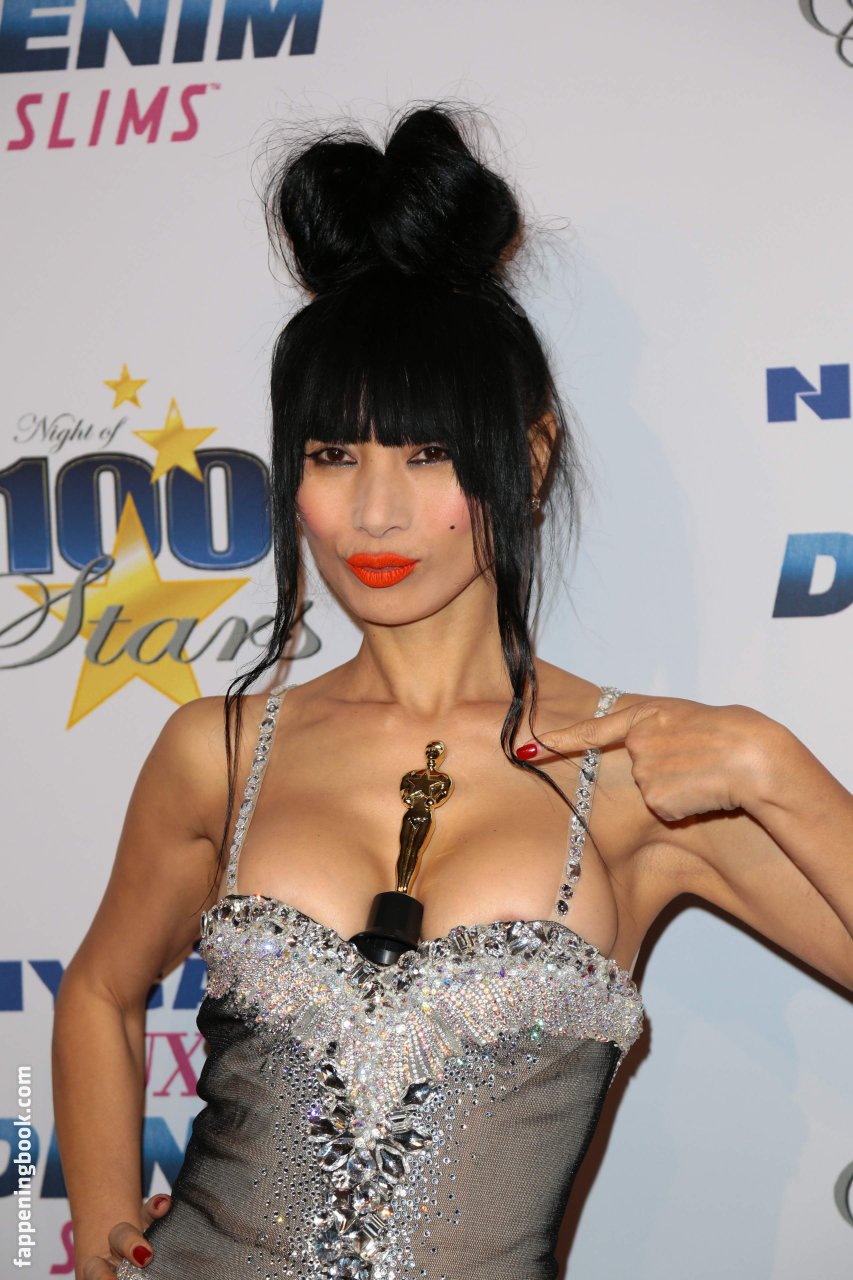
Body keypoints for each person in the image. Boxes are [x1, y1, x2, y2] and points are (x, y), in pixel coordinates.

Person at [52, 102, 853, 1280]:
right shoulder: (218, 748)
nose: (373, 512)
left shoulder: (639, 772)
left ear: (527, 457)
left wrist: (775, 770)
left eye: (426, 453)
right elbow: (98, 990)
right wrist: (100, 1229)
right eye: (333, 455)